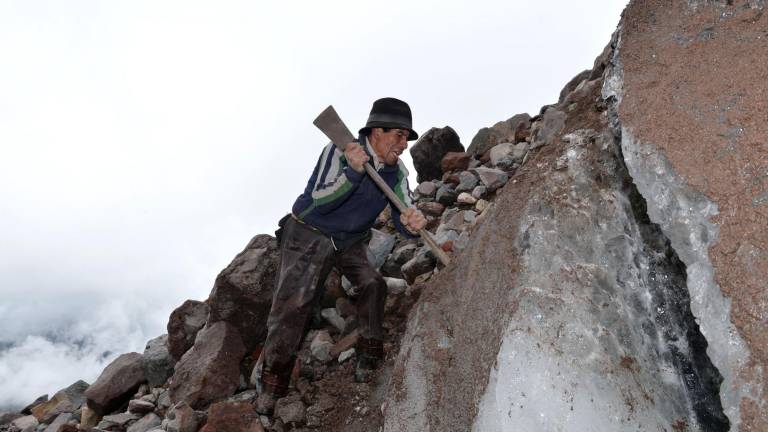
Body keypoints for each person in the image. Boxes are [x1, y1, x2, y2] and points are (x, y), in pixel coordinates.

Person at [256, 97, 427, 415]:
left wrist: (413, 223)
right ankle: (272, 385)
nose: (404, 145)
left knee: (374, 284)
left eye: (406, 138)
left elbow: (405, 209)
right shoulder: (338, 150)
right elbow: (321, 202)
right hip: (309, 233)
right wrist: (352, 173)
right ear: (377, 132)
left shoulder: (397, 172)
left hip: (348, 240)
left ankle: (369, 354)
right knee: (293, 307)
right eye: (399, 136)